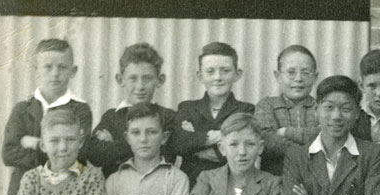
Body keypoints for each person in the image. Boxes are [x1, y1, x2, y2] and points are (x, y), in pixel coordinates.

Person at [2, 38, 92, 195]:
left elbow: (78, 155)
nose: (55, 73)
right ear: (36, 70)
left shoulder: (80, 110)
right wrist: (53, 151)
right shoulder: (22, 110)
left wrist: (34, 143)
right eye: (48, 67)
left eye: (62, 67)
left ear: (73, 71)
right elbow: (9, 153)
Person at [85, 43, 177, 178]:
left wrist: (113, 145)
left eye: (147, 78)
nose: (140, 86)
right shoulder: (111, 116)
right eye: (133, 78)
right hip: (115, 191)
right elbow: (95, 155)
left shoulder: (167, 116)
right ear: (120, 79)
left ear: (160, 80)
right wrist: (147, 146)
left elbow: (167, 155)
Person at [170, 42, 255, 186]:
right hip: (192, 185)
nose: (218, 77)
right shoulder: (187, 107)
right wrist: (221, 135)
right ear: (200, 75)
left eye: (225, 70)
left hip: (232, 185)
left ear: (237, 74)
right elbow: (179, 144)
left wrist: (195, 144)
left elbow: (240, 150)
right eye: (210, 71)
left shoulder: (246, 110)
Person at [254, 45, 319, 176]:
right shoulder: (267, 105)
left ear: (315, 77)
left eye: (306, 72)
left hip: (316, 179)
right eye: (291, 72)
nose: (298, 78)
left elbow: (328, 136)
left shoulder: (322, 107)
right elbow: (266, 140)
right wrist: (305, 151)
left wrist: (287, 132)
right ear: (278, 76)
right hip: (276, 180)